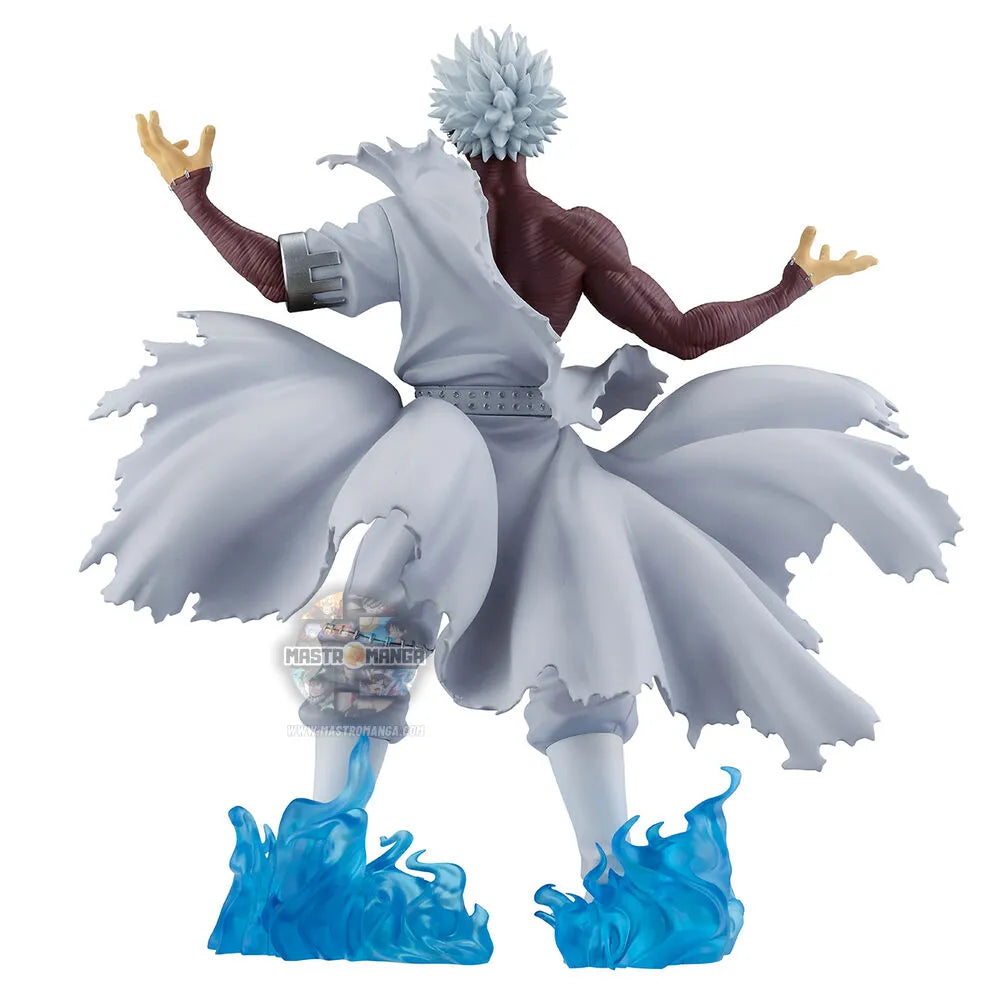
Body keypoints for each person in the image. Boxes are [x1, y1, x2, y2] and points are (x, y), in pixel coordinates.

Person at [84, 27, 959, 880]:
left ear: (454, 123)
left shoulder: (415, 226)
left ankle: (339, 852)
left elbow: (282, 275)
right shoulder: (565, 231)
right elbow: (685, 334)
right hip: (515, 459)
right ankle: (594, 872)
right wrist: (790, 285)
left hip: (446, 451)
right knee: (569, 645)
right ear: (537, 127)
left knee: (394, 626)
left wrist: (196, 199)